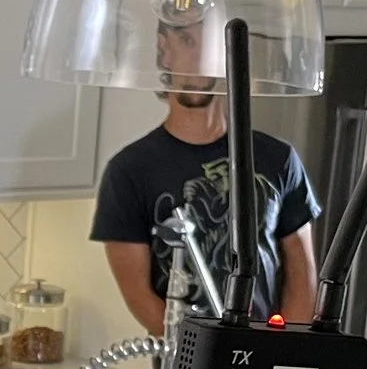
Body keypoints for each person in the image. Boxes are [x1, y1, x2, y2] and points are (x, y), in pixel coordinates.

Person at [89, 17, 320, 332]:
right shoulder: (128, 171)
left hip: (264, 360)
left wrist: (283, 348)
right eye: (186, 43)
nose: (196, 61)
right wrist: (203, 357)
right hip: (182, 367)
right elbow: (139, 296)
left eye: (207, 45)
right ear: (163, 50)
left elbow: (302, 272)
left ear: (227, 56)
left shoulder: (278, 159)